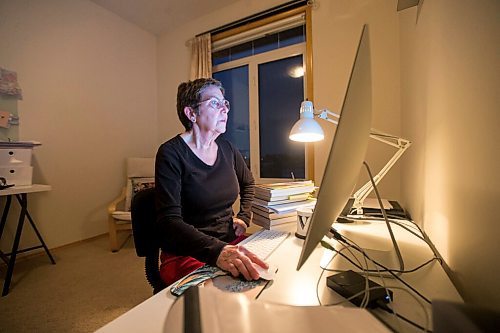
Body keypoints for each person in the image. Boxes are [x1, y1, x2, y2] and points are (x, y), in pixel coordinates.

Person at [155, 78, 267, 286]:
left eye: (225, 103)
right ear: (191, 113)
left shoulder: (228, 149)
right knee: (224, 296)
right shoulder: (170, 153)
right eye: (215, 103)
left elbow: (248, 183)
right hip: (186, 251)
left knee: (266, 271)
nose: (225, 109)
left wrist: (244, 216)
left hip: (228, 242)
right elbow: (169, 221)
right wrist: (218, 251)